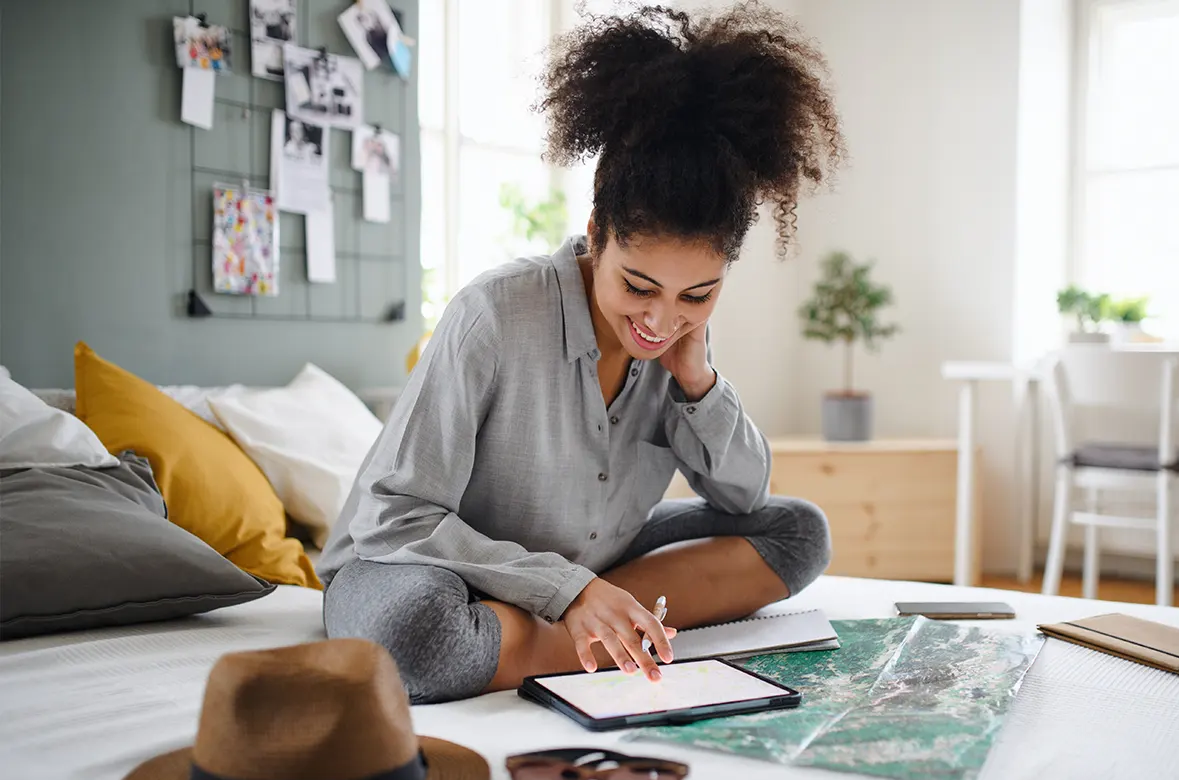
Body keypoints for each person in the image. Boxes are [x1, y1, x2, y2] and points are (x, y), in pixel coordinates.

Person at [319, 2, 846, 705]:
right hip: (425, 564)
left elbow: (745, 497)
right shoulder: (495, 313)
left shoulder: (677, 341)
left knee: (799, 530)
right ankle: (589, 627)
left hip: (590, 553)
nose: (661, 319)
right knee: (420, 636)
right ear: (597, 233)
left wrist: (697, 380)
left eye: (699, 293)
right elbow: (395, 517)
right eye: (639, 285)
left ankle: (557, 626)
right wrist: (569, 588)